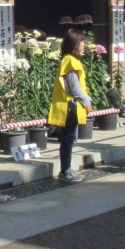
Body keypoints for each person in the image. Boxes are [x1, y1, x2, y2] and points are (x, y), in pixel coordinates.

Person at [48, 28, 92, 183]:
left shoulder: (71, 60)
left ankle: (67, 169)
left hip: (72, 105)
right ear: (74, 43)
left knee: (70, 138)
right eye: (82, 41)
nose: (84, 44)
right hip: (69, 107)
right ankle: (65, 171)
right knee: (68, 139)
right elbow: (74, 88)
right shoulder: (70, 61)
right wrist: (87, 102)